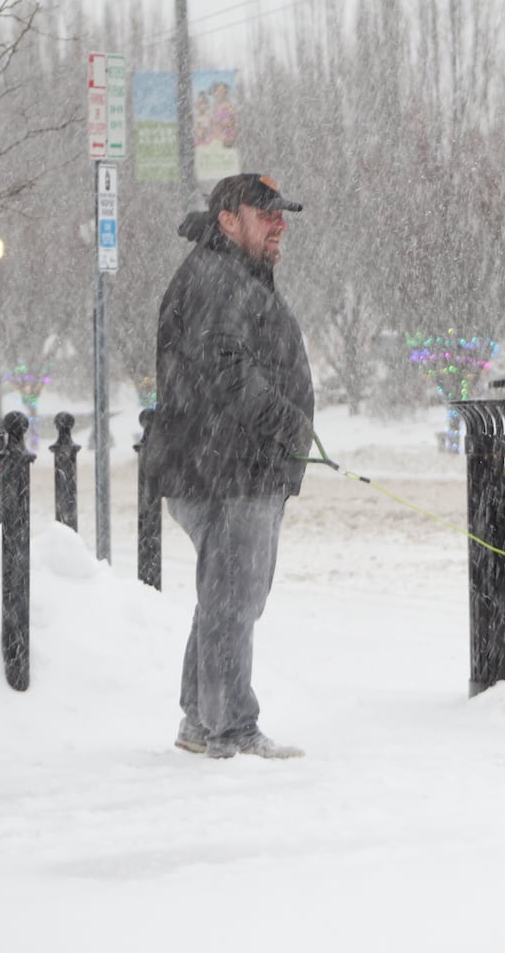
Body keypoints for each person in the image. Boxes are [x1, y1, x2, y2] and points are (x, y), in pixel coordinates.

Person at [148, 173, 313, 760]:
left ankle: (201, 719)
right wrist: (290, 423)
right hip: (227, 465)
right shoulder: (218, 279)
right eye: (265, 214)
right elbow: (227, 371)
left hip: (229, 462)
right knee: (234, 600)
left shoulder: (230, 275)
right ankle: (232, 729)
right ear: (227, 219)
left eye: (282, 214)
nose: (279, 225)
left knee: (226, 595)